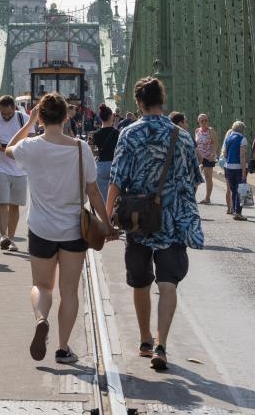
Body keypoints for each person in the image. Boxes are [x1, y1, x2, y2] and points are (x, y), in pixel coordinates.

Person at [1, 93, 113, 364]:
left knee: (42, 285)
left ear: (41, 117)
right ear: (66, 117)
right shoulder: (80, 148)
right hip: (74, 230)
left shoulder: (30, 147)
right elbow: (93, 191)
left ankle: (41, 319)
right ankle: (63, 348)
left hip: (41, 228)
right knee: (70, 290)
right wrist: (107, 225)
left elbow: (8, 149)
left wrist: (28, 124)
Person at [107, 77, 203, 371]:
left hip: (138, 221)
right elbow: (193, 180)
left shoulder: (129, 134)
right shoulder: (181, 136)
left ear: (138, 102)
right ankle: (162, 343)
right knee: (167, 282)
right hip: (171, 221)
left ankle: (145, 339)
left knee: (140, 281)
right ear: (162, 100)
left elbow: (116, 180)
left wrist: (108, 218)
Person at [0, 95, 30, 252]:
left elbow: (32, 139)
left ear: (14, 108)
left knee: (15, 205)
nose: (6, 116)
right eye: (3, 113)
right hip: (0, 167)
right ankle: (3, 236)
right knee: (2, 202)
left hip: (20, 169)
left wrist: (18, 147)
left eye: (9, 113)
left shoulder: (23, 119)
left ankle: (11, 238)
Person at [220, 121, 250, 221]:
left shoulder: (228, 138)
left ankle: (233, 209)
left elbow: (225, 154)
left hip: (228, 167)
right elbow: (242, 156)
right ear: (243, 129)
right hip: (238, 168)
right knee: (241, 191)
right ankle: (238, 213)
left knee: (233, 190)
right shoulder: (242, 139)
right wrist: (244, 171)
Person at [90, 103, 119, 204]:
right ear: (111, 117)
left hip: (101, 166)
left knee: (103, 200)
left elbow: (92, 152)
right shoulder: (117, 133)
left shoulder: (96, 134)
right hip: (115, 166)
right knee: (115, 201)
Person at [194, 114, 219, 205]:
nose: (204, 122)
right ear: (199, 122)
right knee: (196, 176)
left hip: (208, 157)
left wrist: (213, 154)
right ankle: (192, 197)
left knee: (208, 177)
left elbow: (215, 143)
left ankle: (207, 198)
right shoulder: (197, 131)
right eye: (202, 121)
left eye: (206, 120)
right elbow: (195, 144)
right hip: (198, 157)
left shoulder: (210, 130)